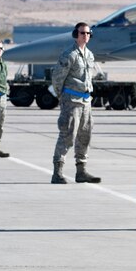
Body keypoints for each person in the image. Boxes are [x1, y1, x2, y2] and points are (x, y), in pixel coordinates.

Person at [50, 22, 101, 184]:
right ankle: (57, 172)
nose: (85, 36)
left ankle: (81, 171)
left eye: (88, 33)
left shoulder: (90, 55)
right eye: (82, 33)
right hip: (71, 101)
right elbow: (57, 78)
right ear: (75, 34)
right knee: (67, 135)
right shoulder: (69, 55)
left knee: (85, 135)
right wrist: (62, 97)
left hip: (86, 101)